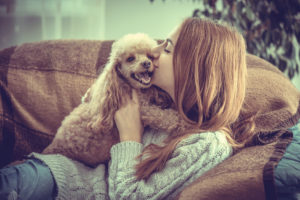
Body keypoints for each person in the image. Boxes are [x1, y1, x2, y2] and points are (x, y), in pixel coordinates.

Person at [0, 17, 255, 200]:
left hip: (66, 186)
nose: (153, 51)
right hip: (55, 176)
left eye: (166, 48)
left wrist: (130, 135)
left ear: (194, 69)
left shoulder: (206, 145)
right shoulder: (165, 103)